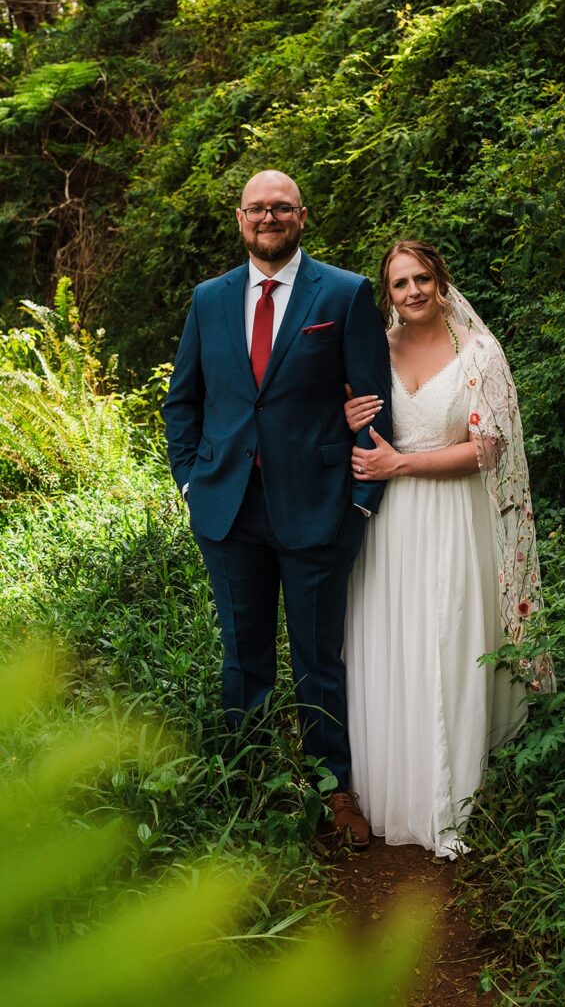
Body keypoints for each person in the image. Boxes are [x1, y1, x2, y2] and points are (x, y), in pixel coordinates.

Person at [163, 170, 392, 848]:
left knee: (319, 656)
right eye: (258, 208)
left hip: (318, 507)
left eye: (281, 208)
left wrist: (361, 499)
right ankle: (250, 783)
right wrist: (187, 482)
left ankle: (335, 789)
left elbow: (372, 404)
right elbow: (183, 401)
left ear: (301, 216)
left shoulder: (344, 293)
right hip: (228, 510)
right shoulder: (208, 300)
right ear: (240, 219)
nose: (269, 217)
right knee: (244, 656)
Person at [343, 240, 554, 858]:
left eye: (422, 280)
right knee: (390, 644)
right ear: (389, 293)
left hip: (450, 519)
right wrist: (347, 411)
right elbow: (355, 427)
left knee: (445, 641)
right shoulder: (375, 350)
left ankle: (447, 801)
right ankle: (388, 793)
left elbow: (487, 450)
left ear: (440, 282)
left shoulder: (477, 354)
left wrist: (399, 463)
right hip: (386, 527)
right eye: (400, 283)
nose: (412, 292)